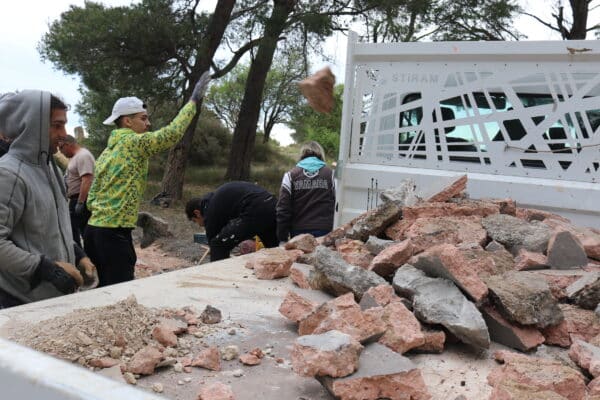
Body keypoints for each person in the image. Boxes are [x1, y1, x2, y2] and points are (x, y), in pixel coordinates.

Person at [84, 71, 211, 287]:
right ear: (127, 121)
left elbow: (93, 192)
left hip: (94, 231)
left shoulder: (108, 150)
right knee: (119, 293)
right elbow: (171, 134)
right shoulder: (133, 143)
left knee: (103, 289)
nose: (148, 123)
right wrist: (193, 102)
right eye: (143, 118)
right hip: (113, 235)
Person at [0, 91, 97, 308]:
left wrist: (78, 255)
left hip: (51, 297)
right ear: (33, 125)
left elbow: (50, 226)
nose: (64, 134)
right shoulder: (9, 173)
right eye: (57, 125)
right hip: (21, 301)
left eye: (65, 125)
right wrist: (46, 269)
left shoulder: (49, 168)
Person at [185, 181, 278, 262]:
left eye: (195, 221)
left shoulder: (209, 210)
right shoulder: (215, 200)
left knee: (218, 245)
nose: (200, 225)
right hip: (273, 205)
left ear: (197, 213)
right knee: (274, 250)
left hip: (256, 209)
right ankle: (279, 272)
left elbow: (214, 242)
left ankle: (218, 278)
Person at [276, 141, 335, 242]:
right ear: (321, 154)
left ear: (302, 154)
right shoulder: (331, 175)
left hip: (298, 231)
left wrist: (282, 238)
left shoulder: (290, 175)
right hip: (325, 230)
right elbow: (338, 204)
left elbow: (283, 208)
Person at [58, 135, 95, 246]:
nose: (61, 151)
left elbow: (87, 179)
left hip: (82, 199)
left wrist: (80, 202)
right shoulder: (75, 157)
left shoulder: (83, 156)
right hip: (76, 199)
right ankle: (80, 256)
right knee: (73, 229)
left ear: (68, 144)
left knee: (83, 230)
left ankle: (88, 257)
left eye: (61, 148)